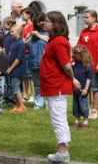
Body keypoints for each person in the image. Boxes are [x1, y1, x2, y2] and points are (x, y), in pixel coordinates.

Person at [40, 11, 80, 163]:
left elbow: (66, 66)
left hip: (56, 85)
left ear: (56, 24)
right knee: (57, 117)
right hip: (53, 85)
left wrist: (72, 79)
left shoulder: (58, 42)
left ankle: (63, 152)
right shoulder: (54, 41)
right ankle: (62, 151)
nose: (45, 23)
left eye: (48, 21)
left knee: (58, 118)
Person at [77, 9, 98, 119]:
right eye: (84, 17)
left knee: (95, 88)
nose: (84, 19)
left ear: (94, 18)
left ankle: (95, 110)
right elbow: (79, 47)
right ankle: (87, 109)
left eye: (87, 17)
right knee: (86, 88)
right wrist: (77, 54)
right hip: (85, 65)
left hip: (95, 65)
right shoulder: (83, 32)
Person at [24, 12, 49, 109]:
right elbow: (25, 44)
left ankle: (48, 104)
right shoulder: (32, 33)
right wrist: (30, 39)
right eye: (37, 22)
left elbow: (50, 41)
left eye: (41, 21)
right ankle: (38, 103)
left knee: (47, 83)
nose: (39, 24)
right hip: (33, 62)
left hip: (44, 62)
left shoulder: (48, 33)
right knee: (37, 84)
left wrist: (38, 36)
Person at [71, 45, 93, 130]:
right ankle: (77, 121)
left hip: (83, 89)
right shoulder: (75, 64)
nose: (76, 57)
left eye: (77, 56)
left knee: (83, 106)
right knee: (75, 106)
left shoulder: (88, 64)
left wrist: (86, 89)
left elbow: (89, 78)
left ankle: (85, 121)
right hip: (75, 89)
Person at [6, 25, 27, 112]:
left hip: (17, 69)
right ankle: (17, 105)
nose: (11, 33)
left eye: (12, 31)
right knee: (14, 88)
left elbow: (19, 58)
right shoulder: (14, 42)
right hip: (13, 68)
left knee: (16, 88)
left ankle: (22, 106)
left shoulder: (20, 43)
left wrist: (11, 68)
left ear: (18, 32)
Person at [21, 7, 35, 102]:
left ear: (29, 15)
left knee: (31, 76)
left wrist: (24, 40)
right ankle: (25, 94)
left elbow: (30, 38)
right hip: (22, 51)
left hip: (29, 51)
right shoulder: (22, 26)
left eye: (23, 14)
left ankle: (33, 95)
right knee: (24, 75)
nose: (22, 16)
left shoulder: (32, 26)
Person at [2, 16, 16, 106]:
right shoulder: (7, 35)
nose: (3, 25)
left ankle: (11, 100)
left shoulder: (12, 37)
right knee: (6, 81)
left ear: (10, 24)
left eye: (4, 24)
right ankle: (6, 98)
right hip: (6, 60)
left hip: (10, 61)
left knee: (10, 82)